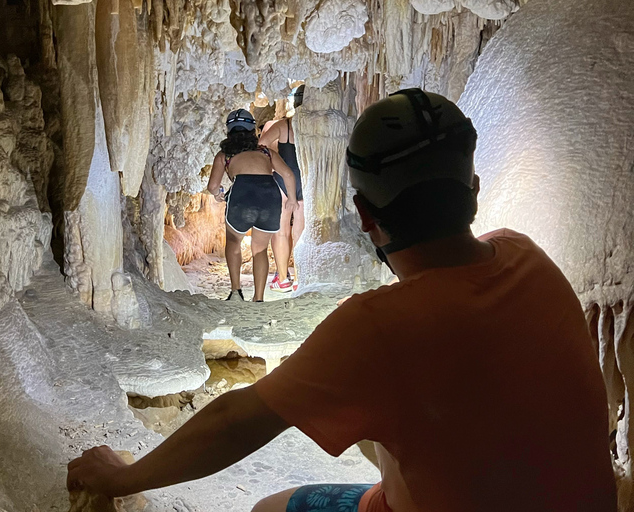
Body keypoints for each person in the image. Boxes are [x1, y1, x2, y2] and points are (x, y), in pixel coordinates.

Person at [66, 90, 617, 512]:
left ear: (365, 215)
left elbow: (236, 421)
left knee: (269, 508)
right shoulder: (528, 257)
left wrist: (121, 478)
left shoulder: (379, 328)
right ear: (473, 190)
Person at [206, 109, 298, 302]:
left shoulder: (225, 154)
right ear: (252, 130)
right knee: (260, 249)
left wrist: (219, 195)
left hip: (242, 196)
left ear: (229, 131)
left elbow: (213, 186)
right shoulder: (266, 152)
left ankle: (236, 292)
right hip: (269, 197)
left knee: (233, 242)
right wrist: (291, 199)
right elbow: (288, 174)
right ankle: (258, 298)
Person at [259, 85, 305, 292]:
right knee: (301, 232)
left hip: (283, 180)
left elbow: (261, 146)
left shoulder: (285, 125)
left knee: (281, 230)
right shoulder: (313, 126)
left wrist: (275, 157)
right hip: (306, 181)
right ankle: (300, 278)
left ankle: (283, 278)